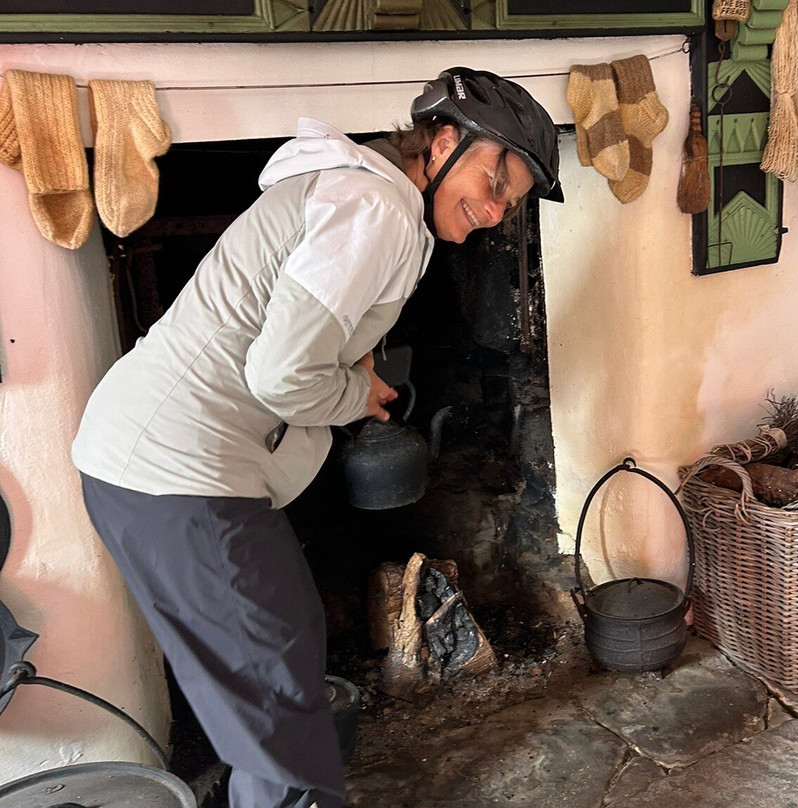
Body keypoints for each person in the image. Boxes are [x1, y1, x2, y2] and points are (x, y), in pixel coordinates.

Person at [71, 67, 562, 808]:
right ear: (445, 141)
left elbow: (292, 328)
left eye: (511, 201)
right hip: (180, 472)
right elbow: (277, 375)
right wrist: (356, 392)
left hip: (163, 469)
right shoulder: (376, 210)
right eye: (495, 182)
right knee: (280, 715)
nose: (495, 211)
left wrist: (344, 362)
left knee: (282, 670)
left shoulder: (371, 195)